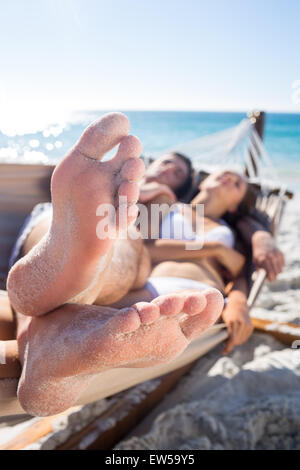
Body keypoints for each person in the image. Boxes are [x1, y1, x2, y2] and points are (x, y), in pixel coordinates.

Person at [1, 112, 224, 416]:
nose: (171, 168)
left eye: (179, 172)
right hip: (50, 230)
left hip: (65, 248)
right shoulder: (123, 184)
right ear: (152, 162)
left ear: (183, 187)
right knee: (118, 238)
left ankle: (55, 316)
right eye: (167, 162)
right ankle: (75, 256)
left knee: (121, 239)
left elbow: (153, 234)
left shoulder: (172, 205)